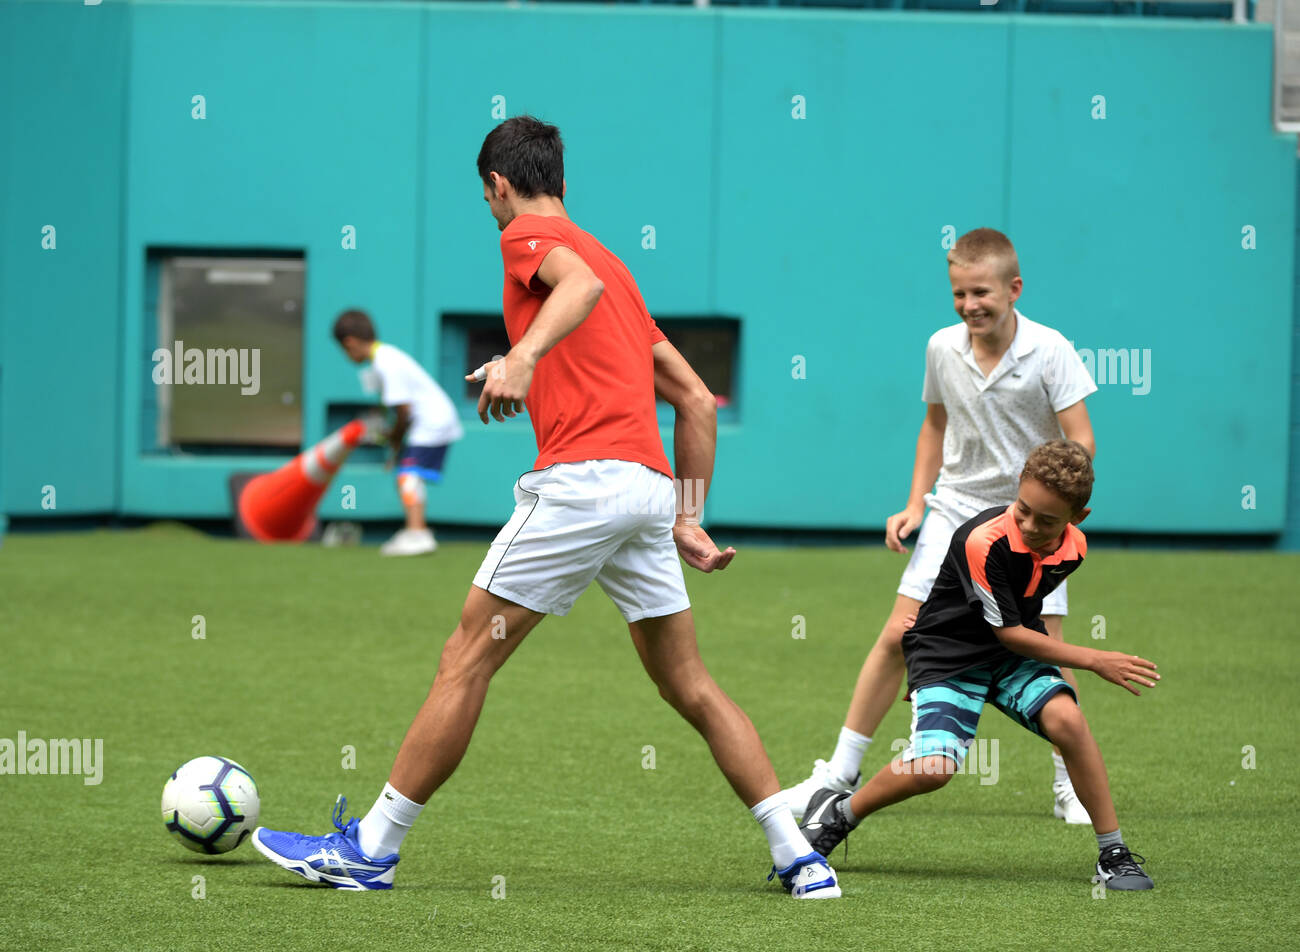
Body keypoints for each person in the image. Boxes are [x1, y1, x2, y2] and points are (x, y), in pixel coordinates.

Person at [254, 116, 840, 899]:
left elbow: (576, 288)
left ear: (499, 185)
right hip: (644, 491)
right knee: (690, 683)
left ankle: (372, 848)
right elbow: (696, 399)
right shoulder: (616, 266)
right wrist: (688, 516)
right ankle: (800, 855)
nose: (492, 208)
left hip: (582, 488)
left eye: (486, 195)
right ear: (564, 178)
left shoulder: (527, 239)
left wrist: (525, 356)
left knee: (466, 657)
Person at [782, 229, 1099, 824]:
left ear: (1014, 288)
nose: (969, 304)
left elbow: (1081, 441)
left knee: (1048, 648)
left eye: (981, 291)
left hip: (1027, 525)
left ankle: (1069, 787)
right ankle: (837, 774)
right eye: (958, 293)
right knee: (898, 634)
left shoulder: (1052, 350)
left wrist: (1043, 513)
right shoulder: (940, 348)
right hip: (954, 511)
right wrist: (914, 504)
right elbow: (934, 425)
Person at [798, 440, 1157, 891]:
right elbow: (1008, 629)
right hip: (949, 654)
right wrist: (1094, 659)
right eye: (1022, 509)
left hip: (1008, 654)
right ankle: (839, 811)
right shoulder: (980, 539)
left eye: (1046, 521)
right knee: (935, 768)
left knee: (1068, 720)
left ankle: (1114, 852)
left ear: (1076, 519)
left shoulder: (1074, 550)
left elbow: (1018, 608)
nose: (1028, 525)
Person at [333, 310, 464, 556]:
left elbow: (404, 410)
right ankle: (417, 531)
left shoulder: (385, 363)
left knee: (407, 476)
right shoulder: (384, 358)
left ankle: (418, 534)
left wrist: (394, 438)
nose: (347, 355)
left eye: (344, 350)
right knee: (407, 475)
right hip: (431, 421)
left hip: (432, 422)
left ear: (349, 342)